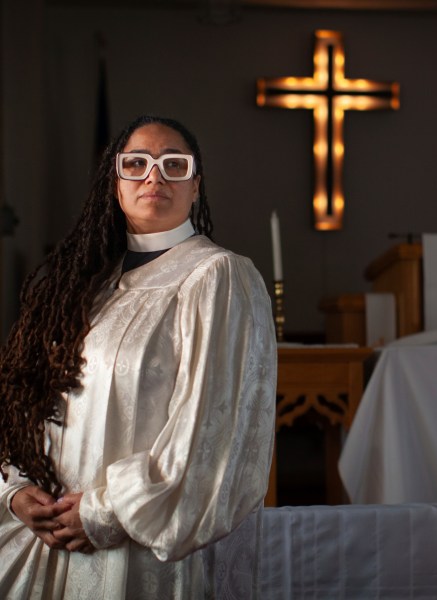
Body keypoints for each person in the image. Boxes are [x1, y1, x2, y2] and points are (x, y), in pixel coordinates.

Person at [0, 115, 277, 598]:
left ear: (196, 185)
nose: (155, 176)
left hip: (134, 552)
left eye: (174, 164)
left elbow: (212, 440)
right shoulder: (84, 286)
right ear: (116, 182)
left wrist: (101, 514)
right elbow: (29, 405)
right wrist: (17, 492)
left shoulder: (217, 277)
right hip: (43, 541)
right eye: (137, 163)